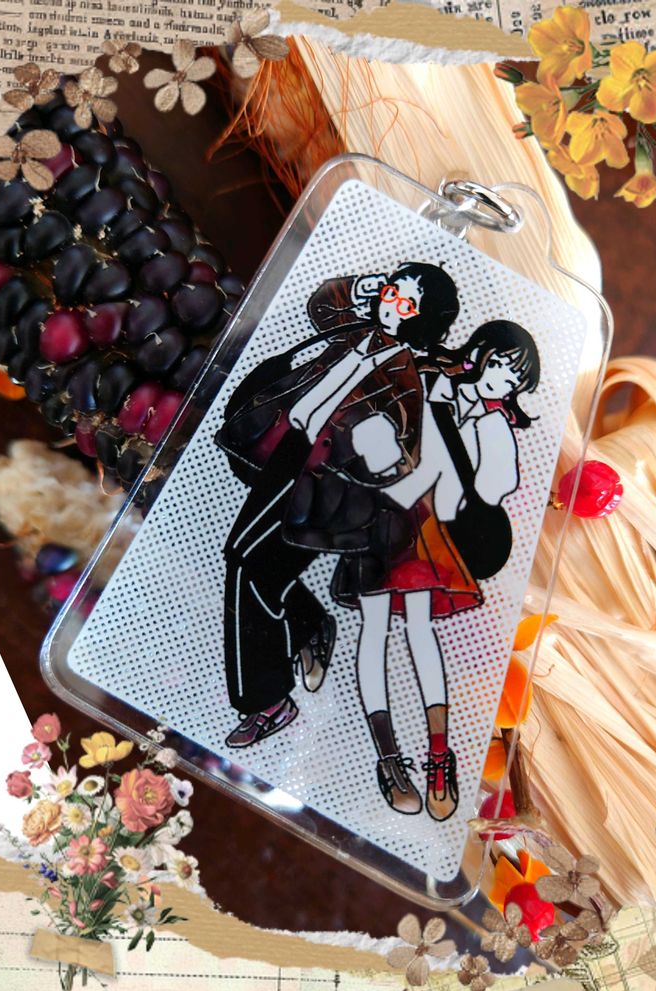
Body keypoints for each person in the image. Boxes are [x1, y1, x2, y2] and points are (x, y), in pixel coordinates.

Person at [216, 263, 460, 752]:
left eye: (406, 302)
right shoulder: (356, 332)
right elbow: (322, 304)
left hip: (326, 485)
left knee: (248, 563)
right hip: (286, 455)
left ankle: (268, 701)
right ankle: (309, 624)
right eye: (390, 291)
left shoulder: (404, 376)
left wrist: (377, 442)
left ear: (422, 319)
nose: (391, 303)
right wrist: (363, 286)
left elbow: (400, 449)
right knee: (251, 564)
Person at [343, 319, 540, 821]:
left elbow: (491, 490)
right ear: (478, 354)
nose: (502, 382)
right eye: (500, 366)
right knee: (373, 630)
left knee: (419, 628)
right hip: (381, 514)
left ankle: (438, 755)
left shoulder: (494, 426)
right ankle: (388, 759)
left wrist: (479, 435)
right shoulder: (429, 382)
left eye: (514, 380)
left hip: (433, 530)